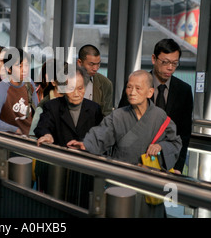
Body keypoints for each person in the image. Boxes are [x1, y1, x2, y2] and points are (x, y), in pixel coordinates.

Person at [67, 70, 182, 216]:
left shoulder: (160, 117)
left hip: (150, 183)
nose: (132, 92)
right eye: (129, 87)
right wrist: (86, 144)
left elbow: (175, 143)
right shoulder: (118, 116)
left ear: (150, 92)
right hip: (121, 180)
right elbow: (102, 132)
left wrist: (161, 146)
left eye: (138, 88)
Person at [118, 38, 193, 173]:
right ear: (154, 59)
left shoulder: (184, 91)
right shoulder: (136, 84)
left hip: (167, 163)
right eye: (165, 62)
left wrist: (177, 167)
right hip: (135, 163)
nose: (170, 68)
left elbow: (184, 134)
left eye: (175, 63)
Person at [34, 65, 103, 147]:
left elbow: (101, 136)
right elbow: (42, 127)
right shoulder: (52, 106)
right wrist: (47, 135)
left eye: (80, 88)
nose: (76, 94)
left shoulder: (94, 109)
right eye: (71, 89)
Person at [0, 47, 38, 136]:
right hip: (11, 141)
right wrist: (14, 130)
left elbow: (36, 114)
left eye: (26, 65)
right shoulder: (1, 88)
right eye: (19, 66)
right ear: (8, 69)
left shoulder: (29, 83)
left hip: (30, 138)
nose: (24, 70)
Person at [77, 44, 113, 116]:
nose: (95, 68)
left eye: (98, 64)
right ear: (79, 63)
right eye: (91, 64)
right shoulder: (67, 79)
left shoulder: (105, 84)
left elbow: (107, 115)